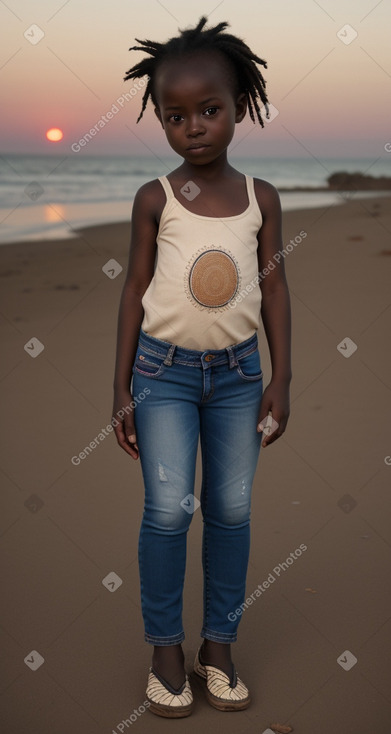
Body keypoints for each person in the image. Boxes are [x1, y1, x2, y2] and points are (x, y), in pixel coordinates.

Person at [112, 15, 291, 718]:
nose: (194, 127)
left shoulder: (261, 199)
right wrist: (120, 386)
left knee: (231, 510)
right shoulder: (155, 198)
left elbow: (273, 287)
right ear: (160, 120)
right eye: (175, 116)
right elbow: (132, 289)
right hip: (162, 376)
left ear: (239, 106)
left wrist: (280, 378)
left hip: (241, 379)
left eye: (209, 110)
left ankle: (218, 646)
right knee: (165, 512)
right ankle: (165, 650)